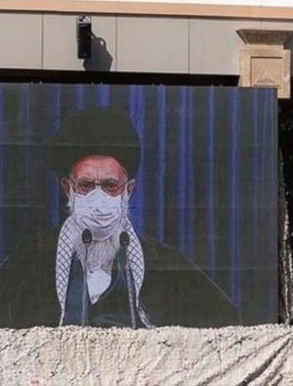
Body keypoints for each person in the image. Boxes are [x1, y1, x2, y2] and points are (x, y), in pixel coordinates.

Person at [0, 107, 239, 328]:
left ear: (129, 190)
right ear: (67, 189)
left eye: (110, 185)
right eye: (85, 185)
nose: (98, 198)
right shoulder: (31, 258)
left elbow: (226, 323)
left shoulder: (163, 262)